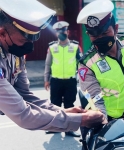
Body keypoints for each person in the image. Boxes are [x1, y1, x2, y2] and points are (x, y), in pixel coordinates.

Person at [0, 0, 107, 134]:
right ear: (2, 33)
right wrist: (80, 120)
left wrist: (62, 111)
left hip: (69, 80)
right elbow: (24, 115)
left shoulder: (14, 51)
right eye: (24, 40)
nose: (29, 47)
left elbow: (24, 96)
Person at [76, 0, 124, 139]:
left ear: (115, 28)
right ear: (88, 34)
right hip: (102, 120)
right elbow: (94, 100)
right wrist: (105, 126)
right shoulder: (87, 64)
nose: (100, 39)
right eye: (94, 36)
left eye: (104, 33)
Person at [44, 21, 83, 137]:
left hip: (70, 81)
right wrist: (46, 79)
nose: (62, 33)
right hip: (56, 81)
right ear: (56, 33)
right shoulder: (52, 47)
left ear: (67, 32)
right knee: (55, 104)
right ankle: (55, 127)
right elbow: (47, 64)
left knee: (69, 105)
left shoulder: (75, 46)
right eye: (59, 31)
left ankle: (69, 129)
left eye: (64, 31)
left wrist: (83, 79)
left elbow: (81, 64)